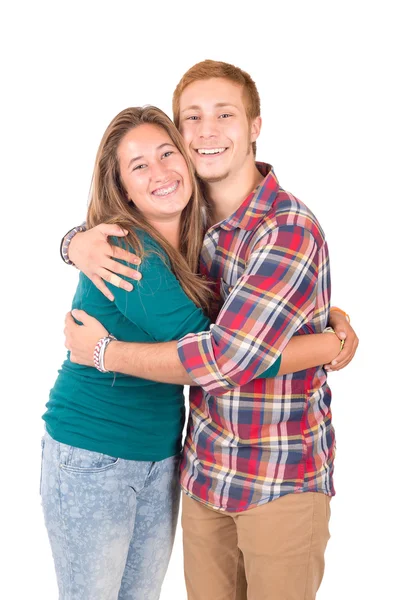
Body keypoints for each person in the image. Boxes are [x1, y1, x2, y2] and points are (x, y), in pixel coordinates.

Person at [63, 61, 359, 600]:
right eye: (191, 118)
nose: (206, 131)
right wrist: (71, 243)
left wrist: (104, 352)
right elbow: (221, 346)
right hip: (201, 476)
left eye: (224, 114)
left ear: (255, 126)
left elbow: (225, 358)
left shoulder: (284, 230)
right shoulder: (187, 227)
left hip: (278, 477)